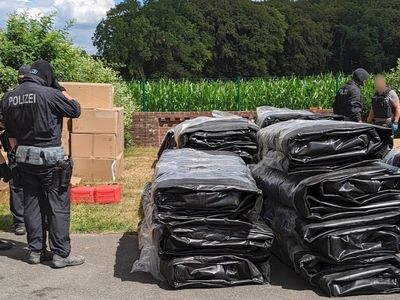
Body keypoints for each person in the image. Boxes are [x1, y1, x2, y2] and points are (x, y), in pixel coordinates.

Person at [1, 59, 84, 268]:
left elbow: (9, 133)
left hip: (23, 158)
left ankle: (36, 251)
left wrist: (15, 155)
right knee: (57, 205)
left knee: (31, 203)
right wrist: (61, 89)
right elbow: (75, 109)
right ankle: (60, 254)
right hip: (50, 158)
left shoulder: (9, 97)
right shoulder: (50, 94)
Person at [3, 65, 31, 235]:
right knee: (33, 184)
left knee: (17, 184)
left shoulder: (8, 96)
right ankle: (30, 220)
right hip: (32, 145)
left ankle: (20, 222)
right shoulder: (38, 94)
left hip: (14, 145)